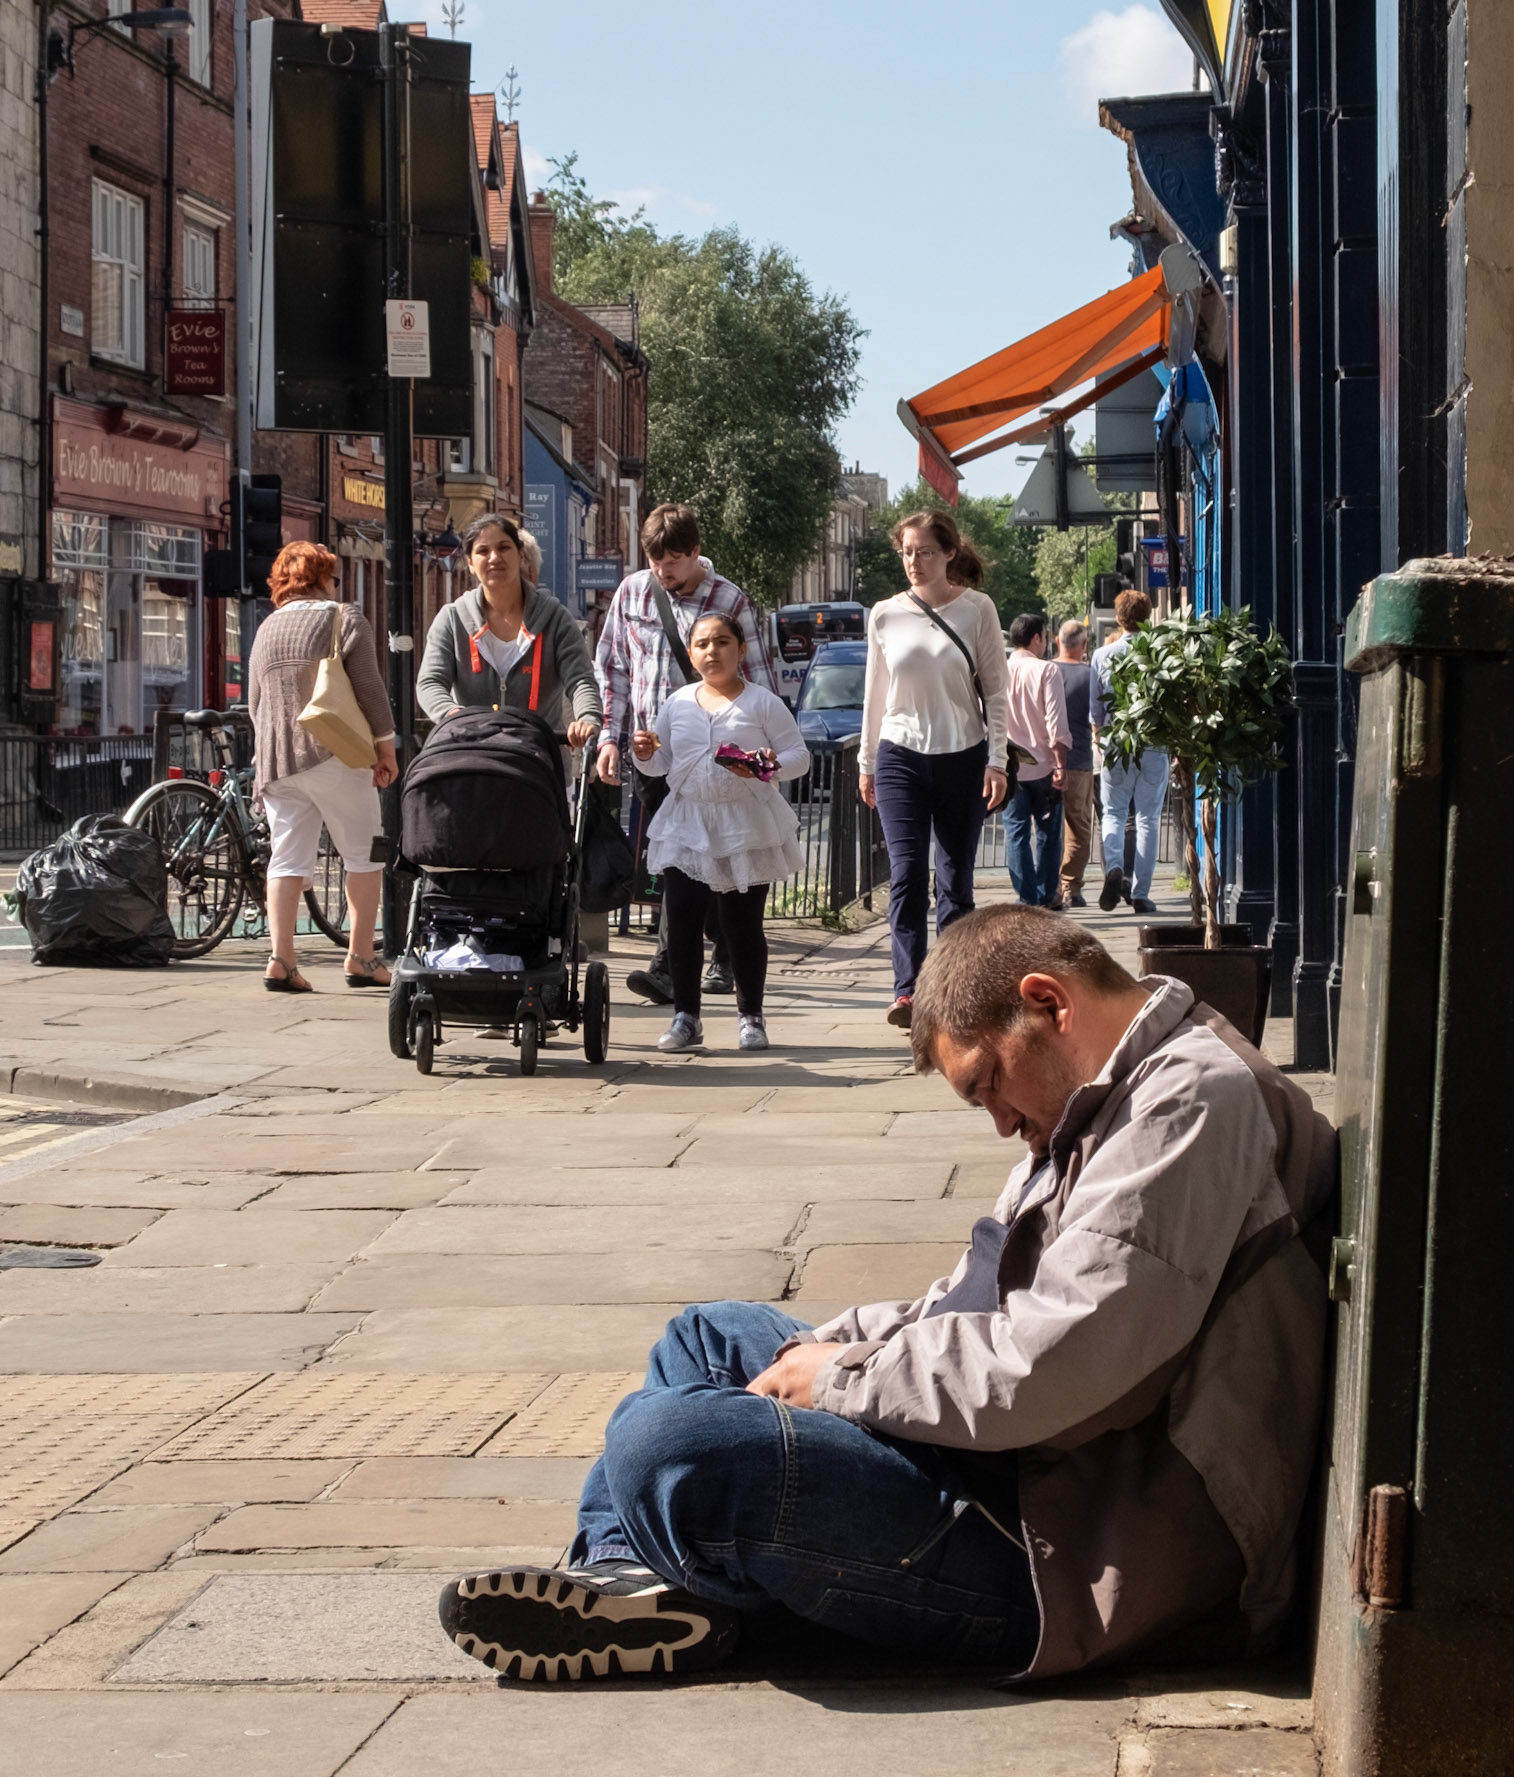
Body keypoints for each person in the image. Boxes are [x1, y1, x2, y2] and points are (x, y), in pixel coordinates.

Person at [438, 906, 1336, 1684]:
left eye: (985, 1083)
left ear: (1048, 1005)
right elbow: (967, 1303)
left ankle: (661, 1581)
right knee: (708, 1339)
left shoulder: (1186, 1103)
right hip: (1008, 1466)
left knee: (665, 1443)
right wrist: (834, 1345)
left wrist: (840, 1380)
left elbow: (1049, 1370)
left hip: (1070, 1546)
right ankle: (634, 1588)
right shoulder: (1104, 1098)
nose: (997, 1121)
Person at [595, 505, 777, 1007]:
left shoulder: (730, 601)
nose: (662, 572)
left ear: (696, 552)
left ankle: (675, 966)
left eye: (673, 561)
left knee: (711, 856)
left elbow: (759, 678)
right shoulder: (632, 594)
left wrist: (762, 759)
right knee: (678, 860)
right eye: (654, 561)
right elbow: (610, 668)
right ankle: (706, 952)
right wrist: (610, 737)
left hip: (717, 757)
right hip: (654, 754)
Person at [859, 508, 1011, 1031]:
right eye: (906, 552)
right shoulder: (884, 614)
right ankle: (907, 992)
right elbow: (875, 693)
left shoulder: (977, 610)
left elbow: (996, 689)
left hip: (963, 756)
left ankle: (953, 988)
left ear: (949, 553)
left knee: (955, 881)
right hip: (900, 755)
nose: (914, 562)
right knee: (905, 876)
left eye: (925, 551)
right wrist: (867, 762)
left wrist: (997, 761)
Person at [631, 612, 808, 1054]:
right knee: (684, 922)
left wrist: (767, 763)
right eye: (703, 644)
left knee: (741, 925)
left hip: (746, 824)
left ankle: (751, 1016)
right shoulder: (678, 703)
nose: (713, 651)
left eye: (723, 642)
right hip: (688, 824)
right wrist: (643, 752)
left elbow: (798, 755)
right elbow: (660, 762)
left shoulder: (762, 702)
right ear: (691, 655)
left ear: (741, 649)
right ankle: (686, 1017)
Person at [247, 542, 397, 993]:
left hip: (277, 763)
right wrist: (385, 749)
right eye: (332, 575)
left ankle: (282, 960)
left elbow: (256, 703)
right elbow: (369, 688)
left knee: (286, 858)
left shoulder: (266, 629)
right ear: (321, 578)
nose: (336, 583)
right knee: (363, 855)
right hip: (334, 753)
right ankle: (361, 957)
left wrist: (269, 754)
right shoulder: (342, 617)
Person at [415, 513, 602, 749]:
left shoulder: (555, 618)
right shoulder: (452, 619)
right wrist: (453, 715)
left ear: (520, 553)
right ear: (470, 563)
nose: (494, 558)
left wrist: (587, 717)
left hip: (540, 763)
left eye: (504, 548)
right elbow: (430, 682)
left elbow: (581, 679)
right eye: (483, 551)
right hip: (472, 760)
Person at [1091, 588, 1166, 915]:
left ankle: (1114, 868)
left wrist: (1099, 734)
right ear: (1147, 616)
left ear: (1119, 617)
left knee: (1114, 813)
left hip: (1117, 741)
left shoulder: (1102, 655)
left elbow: (1095, 707)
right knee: (1148, 818)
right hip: (1152, 741)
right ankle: (1141, 894)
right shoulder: (1158, 650)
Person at [1003, 614, 1069, 910]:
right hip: (1043, 765)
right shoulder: (1047, 671)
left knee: (1015, 832)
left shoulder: (999, 671)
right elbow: (1056, 723)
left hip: (1009, 766)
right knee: (1049, 834)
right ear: (1037, 639)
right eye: (1044, 636)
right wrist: (1061, 764)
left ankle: (1025, 896)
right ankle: (1045, 896)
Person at [1051, 619, 1095, 908]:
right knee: (1078, 826)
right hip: (1079, 759)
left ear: (1057, 642)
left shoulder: (1047, 671)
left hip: (1047, 760)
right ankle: (1072, 887)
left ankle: (1050, 886)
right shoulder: (1090, 675)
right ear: (1084, 646)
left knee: (1049, 827)